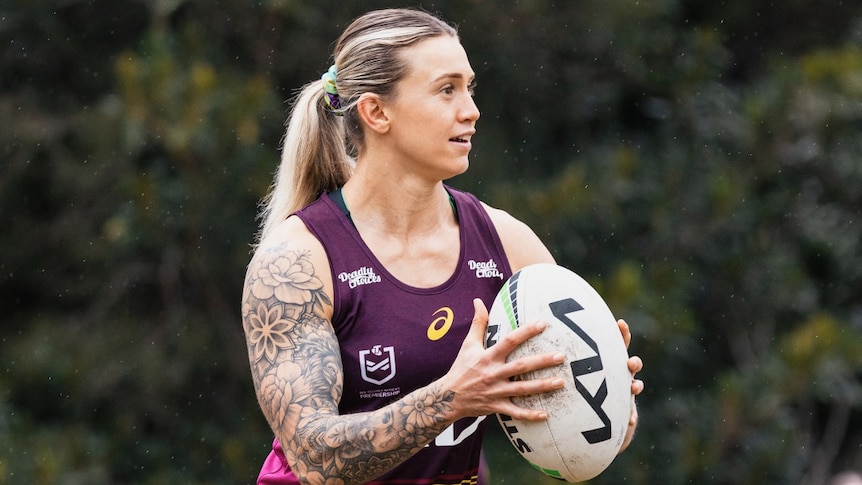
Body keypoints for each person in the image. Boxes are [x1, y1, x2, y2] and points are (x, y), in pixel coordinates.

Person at [240, 8, 644, 485]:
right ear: (376, 112)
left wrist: (606, 399)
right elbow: (313, 457)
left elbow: (579, 441)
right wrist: (452, 397)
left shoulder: (505, 243)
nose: (470, 109)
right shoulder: (296, 263)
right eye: (446, 89)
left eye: (469, 87)